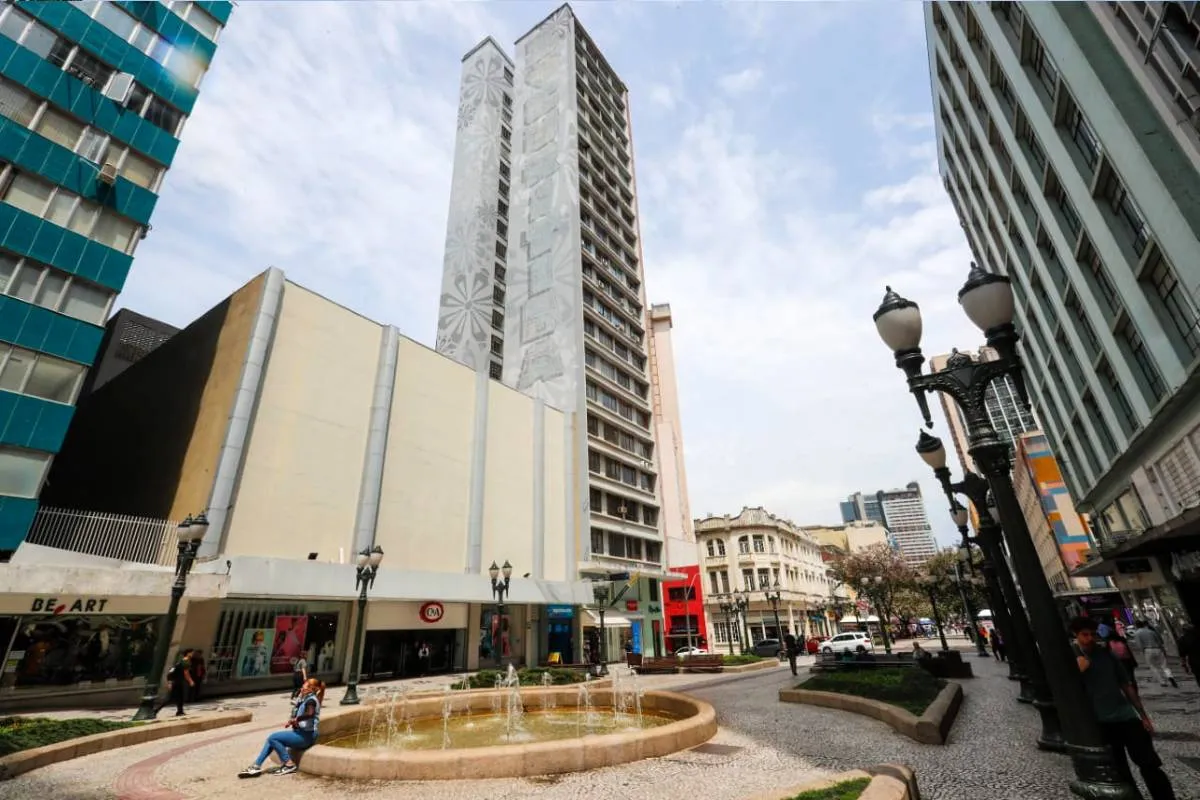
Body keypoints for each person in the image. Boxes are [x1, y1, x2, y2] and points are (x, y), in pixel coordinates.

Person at [1070, 617, 1176, 800]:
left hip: (1126, 717)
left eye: (1093, 634)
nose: (1089, 639)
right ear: (1075, 635)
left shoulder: (1106, 655)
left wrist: (1143, 716)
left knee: (1149, 763)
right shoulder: (1071, 658)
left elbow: (1126, 685)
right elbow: (1065, 693)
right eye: (1084, 635)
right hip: (1101, 722)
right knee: (1119, 769)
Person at [238, 678, 325, 778]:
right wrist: (294, 721)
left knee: (273, 737)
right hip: (303, 734)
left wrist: (297, 719)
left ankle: (289, 765)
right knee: (271, 740)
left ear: (311, 689)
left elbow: (310, 713)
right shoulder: (306, 698)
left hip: (305, 736)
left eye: (304, 687)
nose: (301, 688)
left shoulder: (311, 701)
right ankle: (256, 766)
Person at [1131, 620, 1179, 688]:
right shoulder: (1151, 631)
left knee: (1153, 667)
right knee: (1164, 666)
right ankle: (1170, 676)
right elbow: (1159, 642)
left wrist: (1143, 652)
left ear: (1136, 626)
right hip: (1157, 649)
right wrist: (1163, 650)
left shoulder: (1137, 633)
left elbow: (1139, 645)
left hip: (1147, 650)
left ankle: (1162, 682)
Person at [158, 649, 194, 717]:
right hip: (177, 681)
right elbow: (186, 673)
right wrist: (190, 681)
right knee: (172, 698)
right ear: (188, 653)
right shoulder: (186, 662)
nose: (192, 654)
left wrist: (170, 681)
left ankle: (180, 711)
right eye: (192, 653)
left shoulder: (180, 661)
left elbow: (171, 671)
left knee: (180, 697)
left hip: (176, 681)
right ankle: (157, 710)